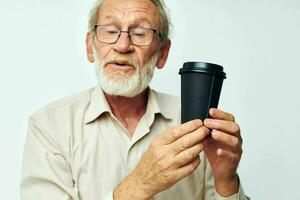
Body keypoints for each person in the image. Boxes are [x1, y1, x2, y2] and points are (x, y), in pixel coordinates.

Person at [21, 0, 250, 199]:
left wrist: (226, 181)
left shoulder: (196, 124)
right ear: (90, 47)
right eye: (110, 31)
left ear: (163, 53)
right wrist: (139, 185)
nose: (122, 46)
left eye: (140, 33)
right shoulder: (49, 126)